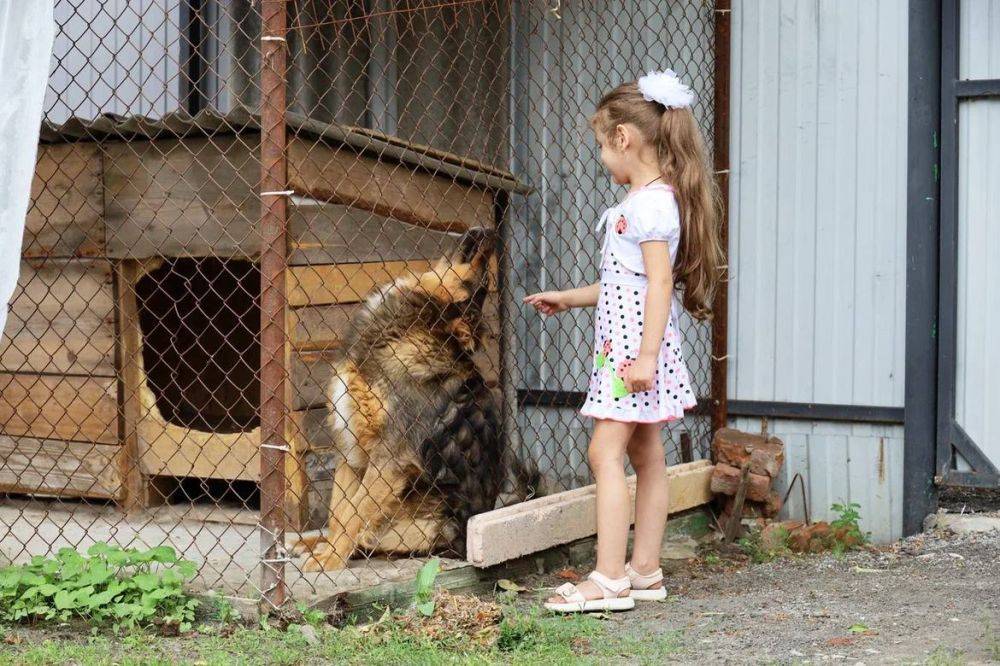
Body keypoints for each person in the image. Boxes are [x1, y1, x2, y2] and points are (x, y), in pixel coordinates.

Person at [524, 70, 723, 613]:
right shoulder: (652, 200)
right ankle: (645, 572)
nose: (601, 159)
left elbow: (660, 282)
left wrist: (647, 358)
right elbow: (624, 283)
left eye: (600, 146)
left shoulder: (648, 207)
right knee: (647, 454)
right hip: (634, 351)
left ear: (624, 139)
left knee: (603, 451)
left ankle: (609, 578)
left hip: (634, 356)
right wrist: (569, 297)